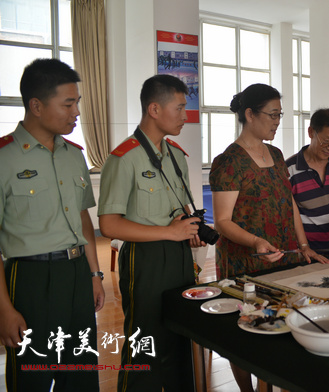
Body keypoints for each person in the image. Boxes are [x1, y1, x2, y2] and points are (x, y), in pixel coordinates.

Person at [210, 83, 329, 392]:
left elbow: (289, 203)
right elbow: (222, 222)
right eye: (272, 114)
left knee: (279, 324)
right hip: (245, 262)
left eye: (280, 114)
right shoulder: (229, 161)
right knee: (247, 331)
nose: (277, 121)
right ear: (249, 114)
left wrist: (303, 246)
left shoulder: (276, 155)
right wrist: (256, 243)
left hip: (280, 259)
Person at [0, 58, 104, 391]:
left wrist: (94, 274)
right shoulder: (4, 158)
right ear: (36, 105)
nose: (76, 112)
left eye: (77, 103)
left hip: (76, 276)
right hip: (29, 280)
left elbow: (83, 219)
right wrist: (3, 309)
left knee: (81, 373)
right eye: (68, 103)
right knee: (32, 377)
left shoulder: (74, 154)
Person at [98, 74, 204, 391]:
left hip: (180, 257)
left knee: (180, 337)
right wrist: (169, 232)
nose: (186, 116)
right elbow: (108, 225)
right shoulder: (124, 158)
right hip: (145, 259)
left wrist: (189, 227)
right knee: (145, 342)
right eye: (180, 108)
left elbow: (179, 208)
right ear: (154, 109)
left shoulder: (175, 156)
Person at [286, 108, 329, 256]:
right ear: (311, 132)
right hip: (308, 252)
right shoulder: (290, 169)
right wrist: (304, 246)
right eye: (326, 142)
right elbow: (291, 215)